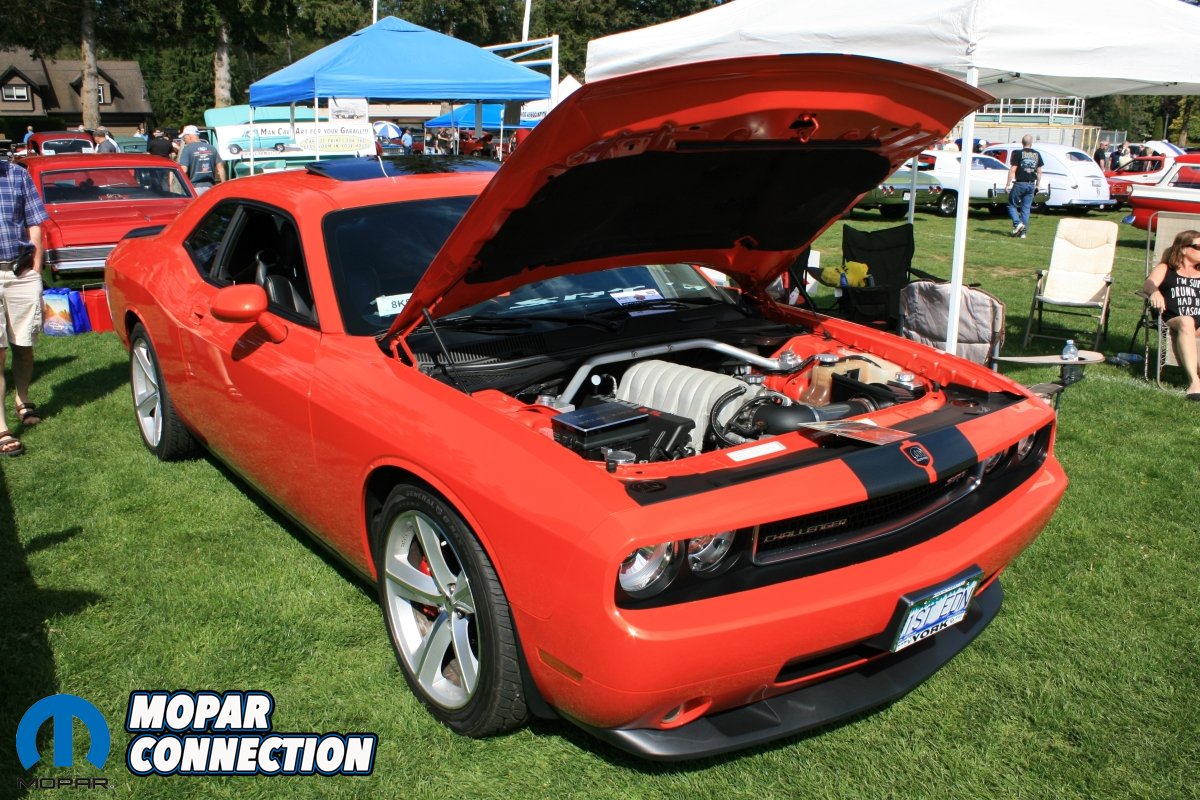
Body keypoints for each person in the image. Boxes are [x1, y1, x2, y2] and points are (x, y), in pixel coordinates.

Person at [0, 157, 50, 456]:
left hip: (21, 273)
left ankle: (22, 398)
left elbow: (34, 224)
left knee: (24, 344)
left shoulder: (16, 175)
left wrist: (36, 268)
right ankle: (1, 427)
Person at [1144, 229, 1200, 400]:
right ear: (1183, 249)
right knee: (1187, 321)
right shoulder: (1166, 268)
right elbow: (1149, 283)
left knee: (1190, 322)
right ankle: (1195, 381)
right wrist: (1155, 292)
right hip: (1173, 319)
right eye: (1199, 247)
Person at [1006, 135, 1043, 239]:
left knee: (1011, 205)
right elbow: (1039, 172)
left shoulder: (1018, 153)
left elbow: (1013, 170)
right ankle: (1023, 233)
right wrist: (1038, 184)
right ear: (1031, 143)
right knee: (1026, 209)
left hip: (1020, 183)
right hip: (1031, 184)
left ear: (1022, 142)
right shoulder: (1037, 154)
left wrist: (1007, 184)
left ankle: (1017, 224)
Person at [177, 124, 224, 193]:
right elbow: (220, 168)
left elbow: (184, 170)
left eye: (184, 137)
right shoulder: (211, 148)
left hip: (194, 189)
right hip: (211, 189)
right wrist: (223, 185)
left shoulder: (187, 149)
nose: (184, 139)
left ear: (189, 136)